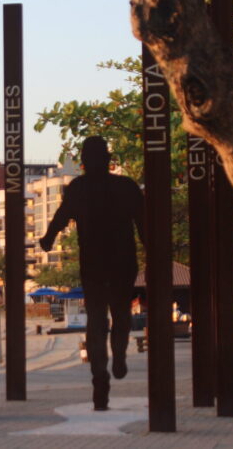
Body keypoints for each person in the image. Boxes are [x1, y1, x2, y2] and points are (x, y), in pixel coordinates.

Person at [40, 136, 144, 411]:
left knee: (98, 321)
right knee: (118, 315)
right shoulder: (125, 187)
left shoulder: (80, 187)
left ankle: (102, 375)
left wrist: (49, 238)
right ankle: (115, 359)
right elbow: (144, 224)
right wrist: (49, 236)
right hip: (120, 263)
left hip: (96, 264)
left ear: (85, 162)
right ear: (108, 159)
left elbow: (61, 216)